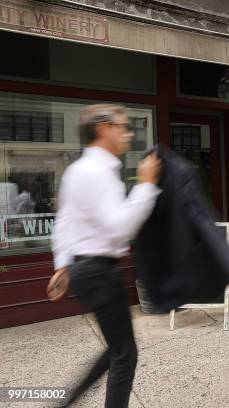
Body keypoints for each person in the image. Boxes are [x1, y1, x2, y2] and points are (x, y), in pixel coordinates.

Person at [51, 104, 161, 407]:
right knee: (125, 353)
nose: (128, 134)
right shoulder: (98, 171)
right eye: (123, 126)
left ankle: (66, 401)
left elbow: (64, 220)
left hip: (86, 270)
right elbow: (119, 227)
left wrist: (62, 265)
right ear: (103, 129)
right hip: (99, 271)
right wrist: (147, 185)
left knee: (116, 347)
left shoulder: (77, 170)